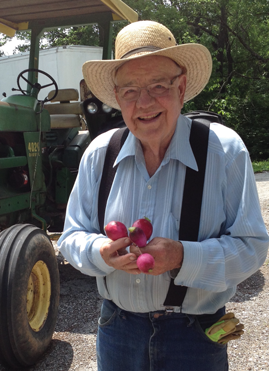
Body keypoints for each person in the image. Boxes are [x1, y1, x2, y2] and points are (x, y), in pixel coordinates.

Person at [58, 20, 269, 371]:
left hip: (195, 337)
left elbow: (251, 248)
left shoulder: (224, 150)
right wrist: (101, 253)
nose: (144, 102)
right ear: (117, 98)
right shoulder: (98, 154)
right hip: (117, 330)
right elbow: (71, 237)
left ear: (181, 88)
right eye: (129, 91)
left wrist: (183, 257)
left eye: (158, 85)